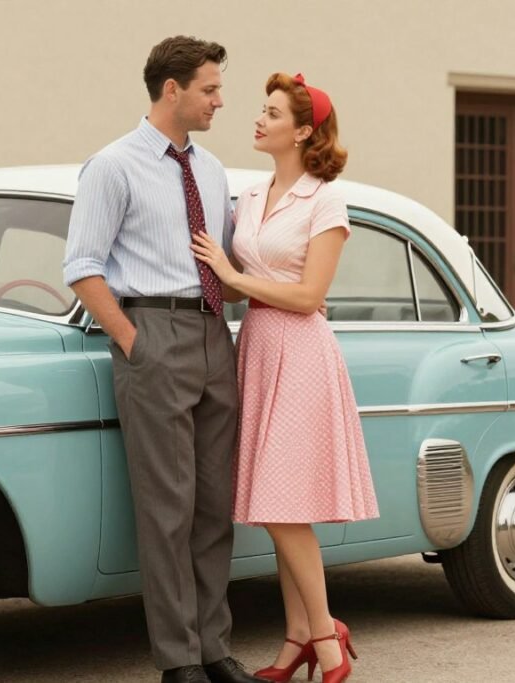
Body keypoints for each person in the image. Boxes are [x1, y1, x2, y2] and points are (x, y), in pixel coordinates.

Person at [63, 36, 264, 683]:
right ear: (171, 89)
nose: (220, 100)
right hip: (152, 333)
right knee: (167, 507)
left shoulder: (210, 169)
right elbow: (82, 267)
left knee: (212, 505)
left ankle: (213, 646)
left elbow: (226, 267)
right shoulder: (112, 166)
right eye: (210, 88)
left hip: (214, 335)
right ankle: (178, 660)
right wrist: (131, 339)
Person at [190, 72, 380, 683]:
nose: (258, 119)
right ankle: (299, 635)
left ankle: (325, 638)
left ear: (302, 131)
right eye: (261, 110)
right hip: (259, 349)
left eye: (271, 113)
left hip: (300, 352)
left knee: (280, 504)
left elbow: (308, 295)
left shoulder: (326, 199)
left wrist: (231, 274)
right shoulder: (248, 196)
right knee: (281, 503)